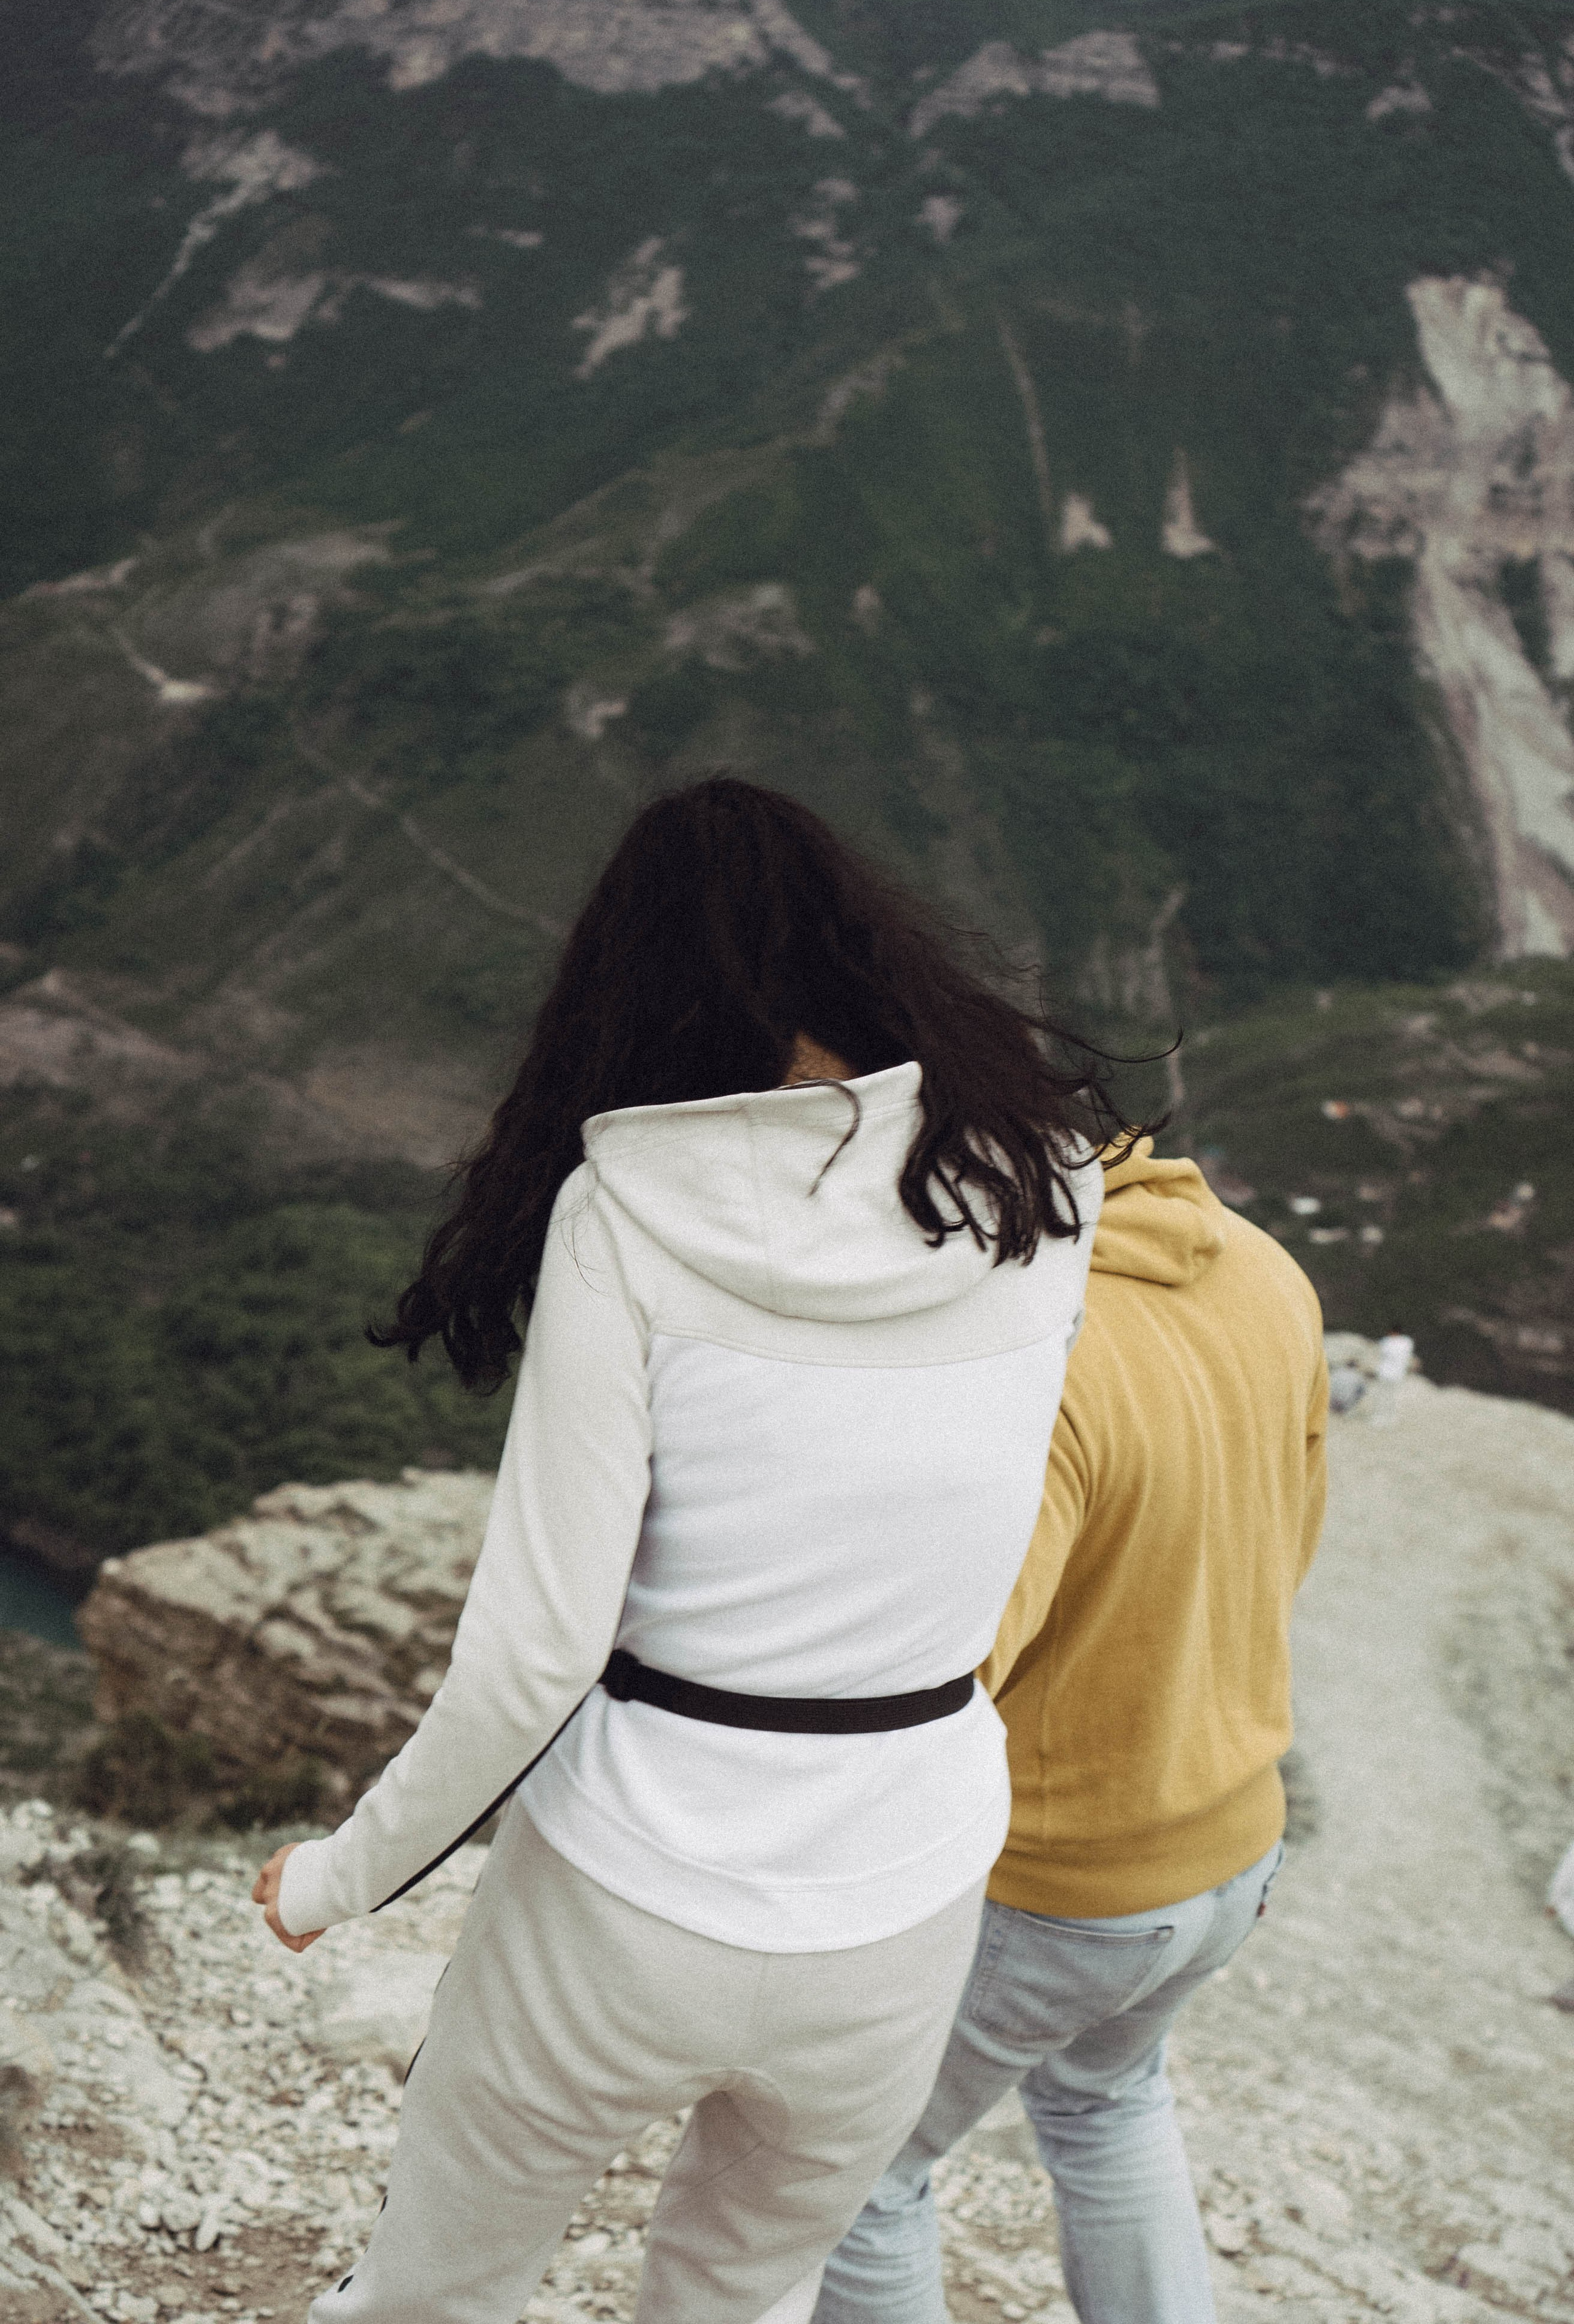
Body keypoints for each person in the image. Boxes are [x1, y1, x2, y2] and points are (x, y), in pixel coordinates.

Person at [249, 779, 1125, 2324]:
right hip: (903, 1887)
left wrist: (340, 1877)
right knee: (740, 2302)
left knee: (433, 2296)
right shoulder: (1049, 1189)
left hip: (631, 1888)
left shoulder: (625, 1213)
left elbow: (535, 1652)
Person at [815, 1136, 1329, 2324]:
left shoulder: (1037, 1361)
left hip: (1060, 1884)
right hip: (1232, 1848)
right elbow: (1290, 1547)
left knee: (857, 2180)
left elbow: (950, 1678)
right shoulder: (1263, 1268)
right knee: (1109, 2107)